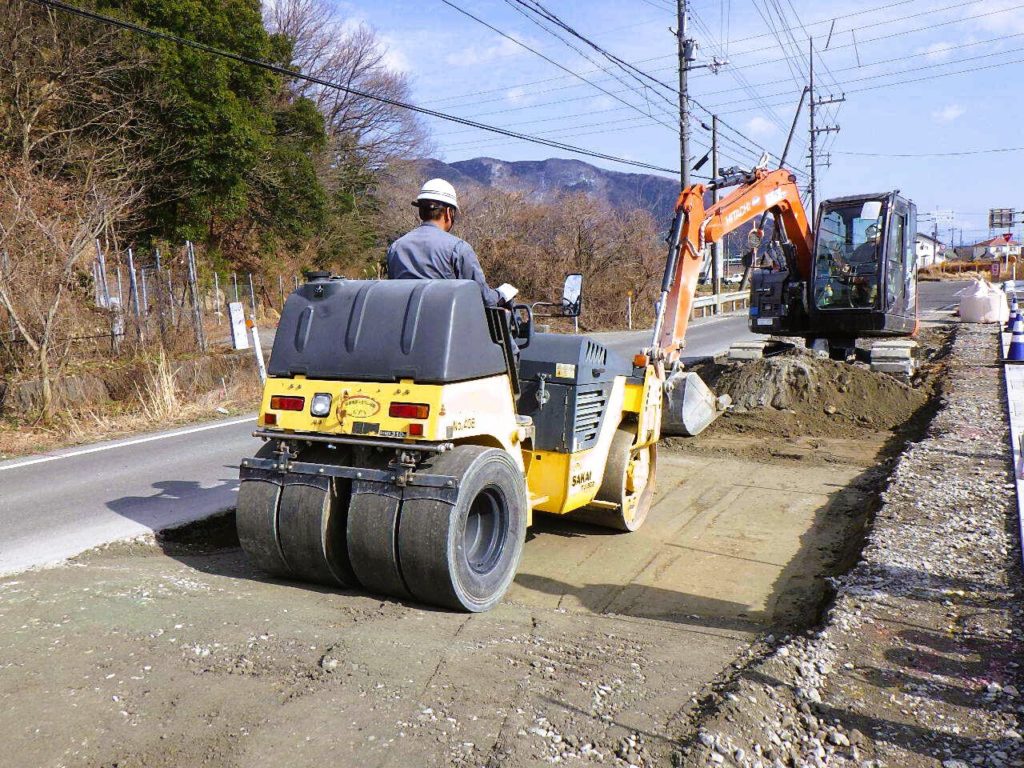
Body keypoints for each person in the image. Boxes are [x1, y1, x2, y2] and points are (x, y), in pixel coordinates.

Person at [387, 179, 511, 307]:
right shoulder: (458, 248)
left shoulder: (396, 247)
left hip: (405, 324)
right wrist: (503, 293)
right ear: (448, 212)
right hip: (448, 324)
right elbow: (484, 299)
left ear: (420, 211)